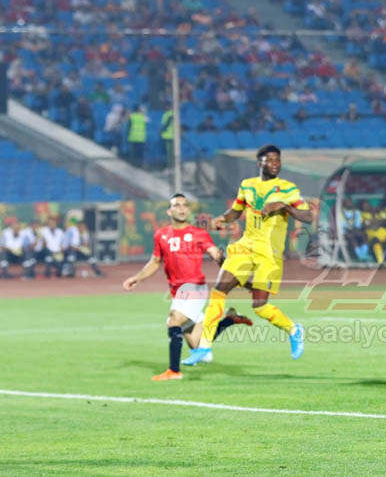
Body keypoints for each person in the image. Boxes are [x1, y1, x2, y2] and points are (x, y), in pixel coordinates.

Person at [187, 144, 312, 365]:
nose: (275, 164)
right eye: (270, 160)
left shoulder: (287, 188)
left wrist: (284, 207)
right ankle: (203, 347)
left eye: (277, 160)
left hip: (269, 253)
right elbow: (236, 211)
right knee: (219, 291)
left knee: (260, 306)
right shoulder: (247, 185)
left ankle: (294, 330)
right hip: (245, 247)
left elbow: (308, 217)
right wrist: (221, 220)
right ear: (259, 163)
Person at [122, 193, 252, 381]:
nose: (182, 208)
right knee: (198, 345)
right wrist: (137, 278)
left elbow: (215, 254)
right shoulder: (161, 235)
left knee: (174, 319)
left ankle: (174, 371)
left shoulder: (199, 234)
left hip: (195, 288)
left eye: (185, 205)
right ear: (169, 211)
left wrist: (231, 272)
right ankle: (229, 320)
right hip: (178, 293)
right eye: (177, 205)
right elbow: (155, 261)